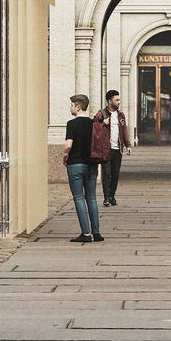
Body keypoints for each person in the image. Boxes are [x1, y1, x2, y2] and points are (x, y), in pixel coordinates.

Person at [63, 94, 103, 244]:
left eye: (72, 105)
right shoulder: (93, 123)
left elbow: (68, 145)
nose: (70, 108)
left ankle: (86, 233)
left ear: (78, 107)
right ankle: (97, 233)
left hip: (75, 164)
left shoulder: (72, 124)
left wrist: (63, 156)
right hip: (91, 164)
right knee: (91, 198)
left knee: (79, 198)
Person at [95, 89, 131, 206]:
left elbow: (124, 131)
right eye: (117, 100)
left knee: (115, 174)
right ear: (110, 101)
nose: (119, 102)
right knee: (106, 173)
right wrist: (102, 124)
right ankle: (106, 197)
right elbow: (94, 128)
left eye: (119, 100)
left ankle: (112, 196)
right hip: (106, 149)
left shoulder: (121, 115)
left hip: (118, 149)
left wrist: (128, 145)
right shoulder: (101, 114)